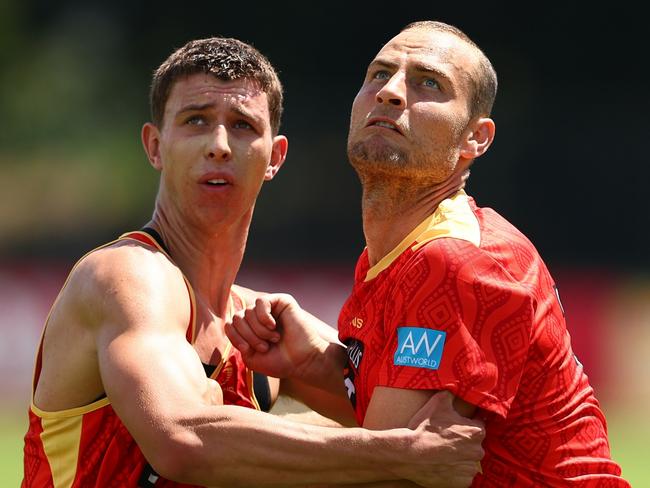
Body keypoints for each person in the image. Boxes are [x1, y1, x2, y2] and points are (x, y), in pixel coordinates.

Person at [21, 36, 486, 487]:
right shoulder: (125, 275)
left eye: (242, 125)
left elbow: (418, 419)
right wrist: (399, 454)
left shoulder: (259, 330)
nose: (219, 145)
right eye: (196, 121)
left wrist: (316, 364)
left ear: (275, 157)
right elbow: (182, 439)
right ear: (155, 146)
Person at [226, 21, 631, 487]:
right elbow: (391, 443)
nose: (390, 92)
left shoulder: (456, 261)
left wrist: (204, 438)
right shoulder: (399, 251)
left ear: (475, 138)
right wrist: (318, 362)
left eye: (428, 83)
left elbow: (385, 470)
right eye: (378, 74)